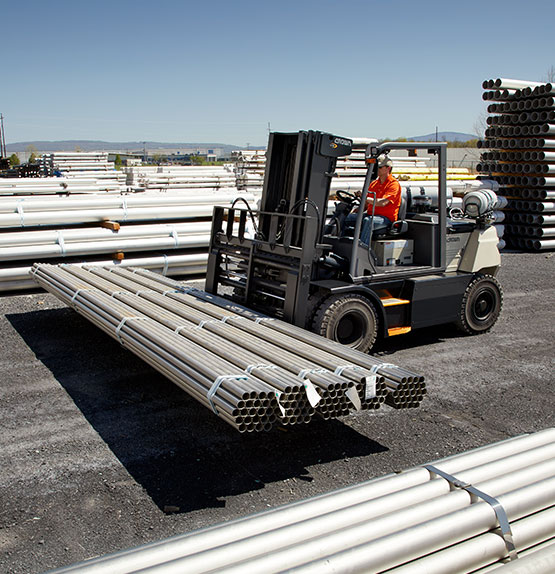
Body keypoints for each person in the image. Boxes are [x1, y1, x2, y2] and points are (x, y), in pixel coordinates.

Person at [346, 154, 402, 244]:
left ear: (388, 168)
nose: (377, 169)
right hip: (370, 214)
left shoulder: (393, 185)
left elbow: (382, 203)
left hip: (386, 219)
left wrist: (364, 197)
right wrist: (355, 211)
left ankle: (362, 249)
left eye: (379, 167)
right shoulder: (374, 184)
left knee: (368, 221)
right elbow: (366, 204)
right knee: (346, 217)